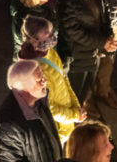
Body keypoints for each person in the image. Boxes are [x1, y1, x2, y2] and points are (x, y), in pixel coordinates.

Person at [55, 0, 116, 113]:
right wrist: (101, 42)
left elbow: (104, 11)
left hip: (93, 53)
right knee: (74, 98)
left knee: (84, 94)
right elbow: (72, 30)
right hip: (78, 56)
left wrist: (108, 36)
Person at [19, 13, 85, 145]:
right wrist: (73, 115)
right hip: (54, 130)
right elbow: (48, 108)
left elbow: (64, 80)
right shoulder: (32, 70)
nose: (52, 36)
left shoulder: (50, 52)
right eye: (47, 34)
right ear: (33, 39)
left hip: (65, 121)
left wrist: (76, 107)